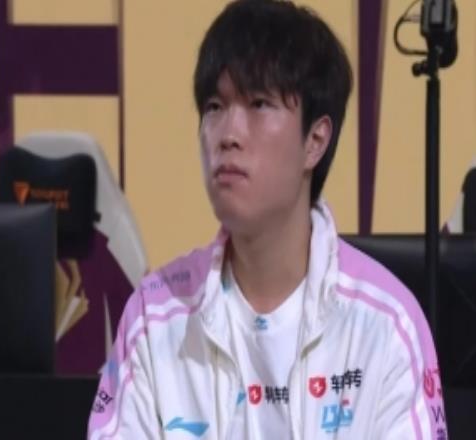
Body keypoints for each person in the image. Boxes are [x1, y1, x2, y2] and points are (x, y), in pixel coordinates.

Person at [88, 0, 447, 438]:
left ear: (315, 141)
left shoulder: (386, 325)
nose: (228, 134)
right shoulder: (154, 314)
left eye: (258, 104)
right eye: (214, 107)